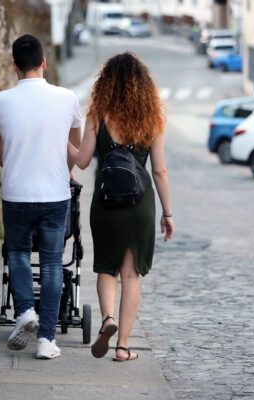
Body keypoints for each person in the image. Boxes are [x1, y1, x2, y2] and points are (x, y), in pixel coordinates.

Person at [67, 52, 174, 362]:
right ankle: (123, 347)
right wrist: (167, 213)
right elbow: (159, 171)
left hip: (106, 203)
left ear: (106, 83)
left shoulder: (97, 115)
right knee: (131, 274)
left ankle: (107, 319)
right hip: (140, 206)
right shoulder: (152, 119)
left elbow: (82, 161)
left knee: (106, 268)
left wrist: (62, 141)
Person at [0, 34, 82, 359]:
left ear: (13, 66)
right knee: (53, 262)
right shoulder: (67, 98)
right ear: (43, 62)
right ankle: (46, 340)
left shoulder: (0, 101)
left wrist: (17, 166)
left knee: (17, 252)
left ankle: (26, 311)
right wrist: (62, 170)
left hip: (16, 192)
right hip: (55, 193)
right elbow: (73, 147)